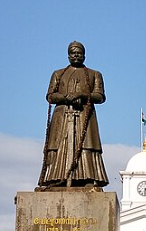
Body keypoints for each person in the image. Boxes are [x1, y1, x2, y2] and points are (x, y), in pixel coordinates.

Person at [38, 41, 109, 188]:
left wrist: (82, 95)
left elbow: (100, 96)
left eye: (79, 52)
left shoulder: (94, 74)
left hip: (84, 115)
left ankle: (89, 177)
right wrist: (65, 98)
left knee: (86, 146)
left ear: (84, 55)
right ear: (68, 55)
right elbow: (50, 96)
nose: (76, 55)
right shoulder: (58, 74)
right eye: (72, 52)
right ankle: (56, 178)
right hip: (62, 116)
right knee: (58, 146)